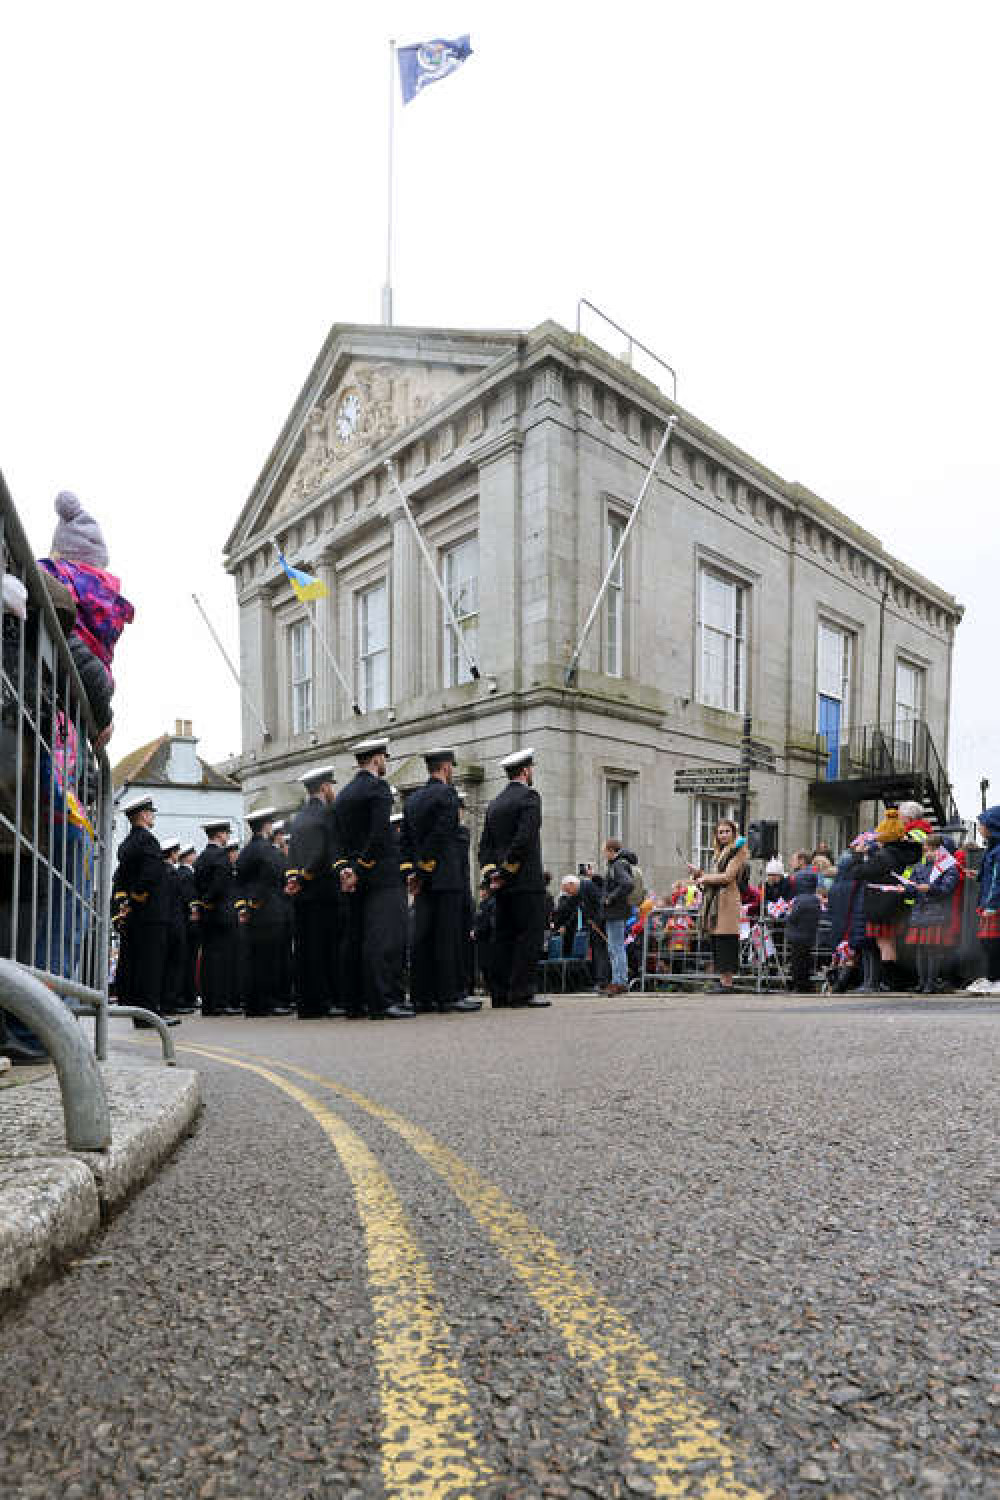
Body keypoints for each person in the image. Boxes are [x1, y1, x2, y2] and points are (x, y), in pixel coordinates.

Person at [37, 490, 134, 751]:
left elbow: (74, 655)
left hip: (55, 704)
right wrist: (103, 717)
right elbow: (92, 667)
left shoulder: (49, 581)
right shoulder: (108, 603)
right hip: (76, 708)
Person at [333, 739, 412, 1020]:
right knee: (385, 940)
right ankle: (384, 1001)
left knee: (357, 939)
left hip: (355, 878)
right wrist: (360, 869)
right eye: (384, 758)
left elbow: (338, 839)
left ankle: (356, 1002)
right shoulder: (378, 788)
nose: (385, 763)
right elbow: (379, 834)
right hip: (380, 874)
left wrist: (346, 870)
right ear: (377, 759)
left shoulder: (343, 794)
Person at [400, 749, 480, 1014]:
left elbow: (407, 841)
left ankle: (422, 996)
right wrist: (425, 868)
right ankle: (449, 995)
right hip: (445, 877)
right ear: (446, 768)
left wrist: (413, 873)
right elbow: (441, 834)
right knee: (448, 937)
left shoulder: (412, 800)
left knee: (423, 937)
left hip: (423, 882)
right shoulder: (447, 795)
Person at [478, 747, 550, 1009]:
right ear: (525, 771)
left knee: (503, 937)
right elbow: (525, 838)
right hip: (525, 881)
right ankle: (520, 992)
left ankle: (500, 993)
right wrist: (507, 871)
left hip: (501, 885)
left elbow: (484, 847)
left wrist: (492, 875)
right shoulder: (530, 797)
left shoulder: (495, 803)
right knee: (528, 937)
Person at [114, 794, 178, 1027]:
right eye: (150, 812)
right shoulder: (148, 841)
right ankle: (151, 1013)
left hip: (137, 915)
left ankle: (140, 1014)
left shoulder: (126, 843)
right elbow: (150, 875)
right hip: (151, 914)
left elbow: (121, 878)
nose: (153, 816)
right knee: (151, 965)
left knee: (137, 964)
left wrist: (126, 903)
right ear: (142, 815)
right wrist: (137, 898)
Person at [286, 768, 345, 1019]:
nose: (333, 790)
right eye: (331, 786)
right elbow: (324, 852)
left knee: (305, 949)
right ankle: (325, 1000)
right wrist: (306, 875)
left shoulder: (298, 818)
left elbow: (292, 854)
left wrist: (294, 879)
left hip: (302, 894)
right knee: (327, 948)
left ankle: (306, 1003)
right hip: (324, 890)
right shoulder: (328, 814)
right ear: (324, 788)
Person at [235, 807, 294, 1016]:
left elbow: (240, 879)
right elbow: (277, 872)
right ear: (266, 826)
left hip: (256, 911)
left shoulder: (247, 851)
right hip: (270, 908)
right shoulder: (267, 850)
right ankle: (268, 1002)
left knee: (255, 958)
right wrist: (257, 899)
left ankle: (254, 1003)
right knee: (270, 959)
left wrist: (247, 903)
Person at [691, 818, 749, 992]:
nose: (723, 835)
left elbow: (728, 876)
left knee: (726, 940)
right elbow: (715, 878)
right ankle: (723, 980)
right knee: (717, 940)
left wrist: (705, 877)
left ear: (733, 834)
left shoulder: (738, 852)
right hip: (717, 900)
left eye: (727, 831)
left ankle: (727, 982)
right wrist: (699, 874)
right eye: (720, 832)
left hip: (728, 900)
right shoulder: (720, 853)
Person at [902, 833, 962, 993]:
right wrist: (904, 890)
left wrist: (931, 888)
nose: (928, 853)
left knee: (933, 950)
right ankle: (921, 983)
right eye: (926, 849)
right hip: (919, 912)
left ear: (942, 850)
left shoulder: (949, 867)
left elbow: (947, 889)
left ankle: (931, 983)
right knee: (920, 950)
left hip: (937, 913)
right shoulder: (919, 867)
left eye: (932, 849)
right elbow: (912, 889)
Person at [193, 820, 240, 1016]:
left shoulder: (203, 856)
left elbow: (197, 883)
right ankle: (220, 1002)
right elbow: (220, 884)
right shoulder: (221, 855)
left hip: (208, 915)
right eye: (226, 833)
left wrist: (203, 902)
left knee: (208, 960)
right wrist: (209, 900)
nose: (227, 837)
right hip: (221, 913)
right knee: (221, 960)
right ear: (220, 835)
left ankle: (208, 1003)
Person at [968, 806, 1000, 993]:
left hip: (994, 904)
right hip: (989, 901)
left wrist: (993, 905)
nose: (979, 828)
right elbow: (992, 875)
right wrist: (978, 874)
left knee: (993, 942)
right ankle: (992, 977)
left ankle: (996, 979)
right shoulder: (993, 848)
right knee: (988, 942)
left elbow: (998, 880)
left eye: (981, 825)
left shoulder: (997, 850)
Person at [601, 839, 635, 996]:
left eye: (604, 850)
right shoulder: (619, 864)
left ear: (610, 850)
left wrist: (611, 897)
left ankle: (620, 982)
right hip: (617, 911)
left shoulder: (618, 864)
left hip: (615, 911)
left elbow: (627, 884)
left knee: (616, 947)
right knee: (615, 947)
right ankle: (618, 980)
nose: (603, 854)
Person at [785, 869, 822, 991]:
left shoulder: (800, 900)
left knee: (797, 962)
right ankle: (805, 983)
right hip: (809, 935)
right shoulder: (815, 899)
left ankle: (799, 984)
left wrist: (787, 914)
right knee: (805, 960)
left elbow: (793, 916)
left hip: (797, 935)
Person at [175, 844, 200, 1011]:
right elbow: (188, 898)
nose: (195, 855)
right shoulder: (185, 875)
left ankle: (189, 996)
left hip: (187, 924)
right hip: (189, 924)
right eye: (192, 853)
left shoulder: (186, 873)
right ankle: (186, 997)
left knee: (189, 961)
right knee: (188, 962)